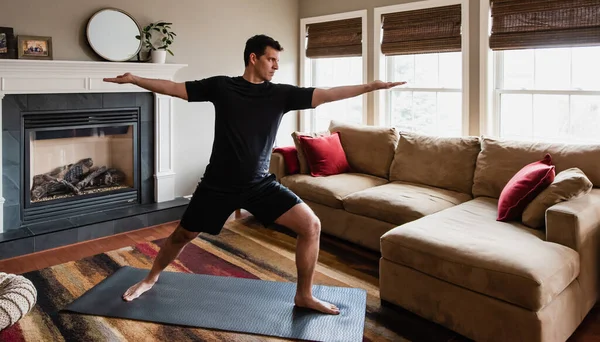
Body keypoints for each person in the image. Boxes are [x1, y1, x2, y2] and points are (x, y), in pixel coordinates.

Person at [103, 34, 405, 315]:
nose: (275, 66)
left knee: (311, 225)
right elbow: (175, 88)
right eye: (271, 59)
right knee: (184, 234)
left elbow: (326, 94)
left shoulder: (281, 95)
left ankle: (304, 295)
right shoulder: (222, 87)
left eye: (277, 61)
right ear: (253, 58)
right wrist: (134, 79)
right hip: (217, 185)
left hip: (259, 185)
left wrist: (369, 87)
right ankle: (151, 278)